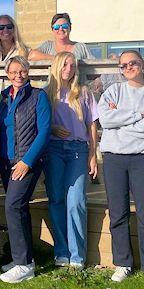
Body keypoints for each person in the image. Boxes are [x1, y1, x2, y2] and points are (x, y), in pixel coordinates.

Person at [98, 51, 144, 287]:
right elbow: (105, 120)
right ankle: (122, 263)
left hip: (142, 158)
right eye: (123, 65)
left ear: (142, 65)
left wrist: (121, 123)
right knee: (117, 213)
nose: (129, 67)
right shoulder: (113, 91)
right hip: (114, 159)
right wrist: (137, 115)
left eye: (133, 63)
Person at [0, 56, 51, 283]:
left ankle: (23, 264)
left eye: (22, 71)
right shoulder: (4, 98)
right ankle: (24, 260)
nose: (18, 75)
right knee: (19, 209)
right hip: (7, 163)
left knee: (13, 206)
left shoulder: (38, 96)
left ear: (28, 71)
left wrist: (27, 162)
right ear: (7, 73)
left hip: (27, 162)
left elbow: (44, 132)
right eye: (13, 71)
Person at [43, 52, 99, 269]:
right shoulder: (46, 94)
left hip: (78, 150)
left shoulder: (83, 93)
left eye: (72, 65)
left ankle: (77, 256)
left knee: (76, 202)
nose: (69, 68)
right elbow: (40, 124)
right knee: (56, 199)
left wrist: (93, 155)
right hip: (53, 150)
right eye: (65, 64)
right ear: (56, 66)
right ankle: (62, 252)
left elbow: (92, 125)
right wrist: (52, 128)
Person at [0, 15, 30, 135]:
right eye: (1, 27)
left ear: (14, 29)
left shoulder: (23, 50)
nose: (5, 30)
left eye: (9, 27)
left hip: (16, 94)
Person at [28, 13, 94, 61]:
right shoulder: (48, 46)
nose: (61, 29)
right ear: (52, 30)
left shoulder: (81, 47)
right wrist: (58, 59)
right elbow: (31, 55)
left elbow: (95, 67)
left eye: (64, 26)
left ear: (70, 28)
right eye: (56, 27)